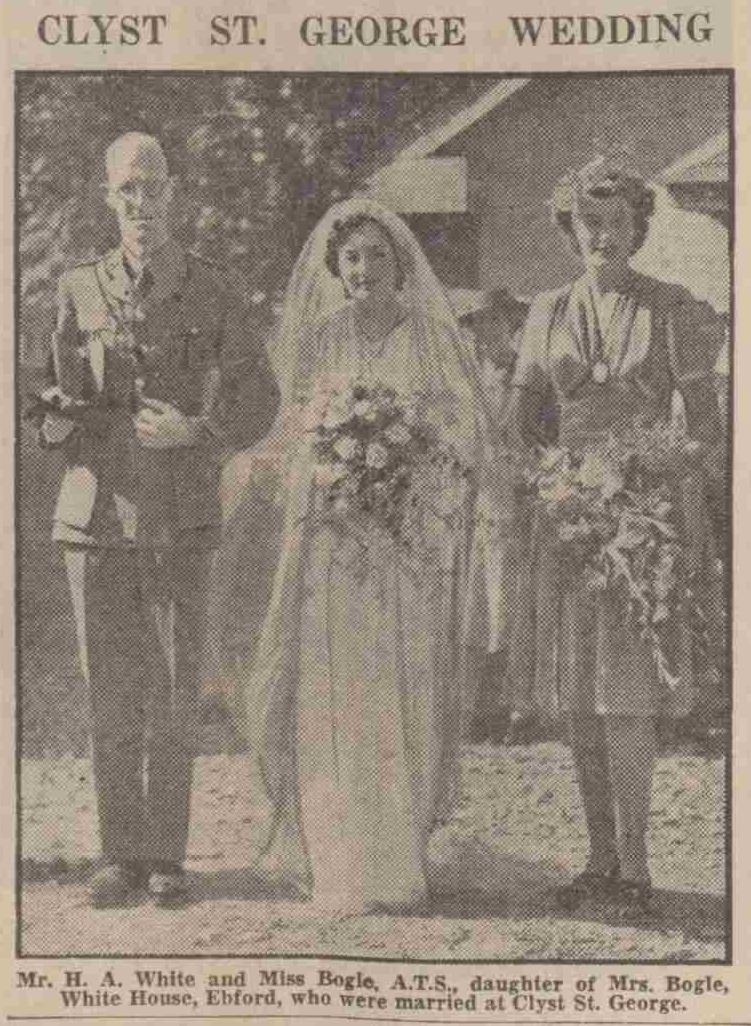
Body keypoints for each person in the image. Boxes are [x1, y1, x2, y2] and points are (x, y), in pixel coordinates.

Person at [37, 132, 280, 907]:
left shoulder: (212, 289)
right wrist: (51, 423)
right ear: (108, 198)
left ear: (174, 192)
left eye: (154, 187)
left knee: (174, 692)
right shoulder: (77, 290)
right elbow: (51, 396)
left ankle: (168, 856)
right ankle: (119, 855)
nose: (141, 203)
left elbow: (258, 400)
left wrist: (197, 431)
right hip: (95, 520)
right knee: (110, 694)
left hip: (179, 517)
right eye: (127, 190)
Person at [243, 198, 490, 912]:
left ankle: (396, 854)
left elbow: (461, 432)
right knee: (333, 682)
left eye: (378, 255)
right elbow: (292, 431)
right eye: (351, 256)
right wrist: (330, 465)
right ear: (336, 267)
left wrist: (405, 461)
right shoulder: (319, 339)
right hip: (333, 539)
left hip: (406, 541)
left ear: (399, 263)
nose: (364, 268)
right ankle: (338, 853)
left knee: (398, 680)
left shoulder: (430, 338)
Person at [504, 152, 723, 918]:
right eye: (587, 223)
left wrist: (646, 484)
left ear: (637, 228)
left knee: (625, 698)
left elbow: (704, 432)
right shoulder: (546, 310)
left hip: (639, 529)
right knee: (578, 699)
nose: (600, 236)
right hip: (568, 525)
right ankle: (597, 860)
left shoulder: (671, 309)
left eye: (615, 222)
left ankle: (635, 868)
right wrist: (551, 483)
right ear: (570, 229)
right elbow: (520, 423)